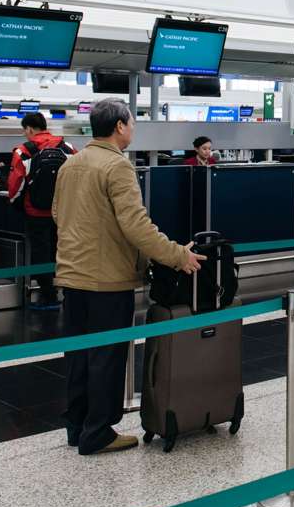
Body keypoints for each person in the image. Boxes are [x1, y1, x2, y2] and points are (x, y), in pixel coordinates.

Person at [52, 98, 204, 455]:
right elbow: (136, 226)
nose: (133, 129)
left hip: (71, 276)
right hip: (106, 280)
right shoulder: (117, 166)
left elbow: (58, 214)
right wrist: (178, 255)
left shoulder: (70, 164)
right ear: (119, 126)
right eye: (132, 123)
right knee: (105, 357)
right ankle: (99, 433)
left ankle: (77, 427)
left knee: (78, 355)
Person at [8, 112, 77, 310]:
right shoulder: (68, 148)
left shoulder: (24, 151)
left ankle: (48, 296)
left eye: (25, 130)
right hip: (62, 213)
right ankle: (68, 291)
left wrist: (15, 204)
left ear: (29, 128)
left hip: (35, 212)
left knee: (40, 252)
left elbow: (16, 184)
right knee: (62, 250)